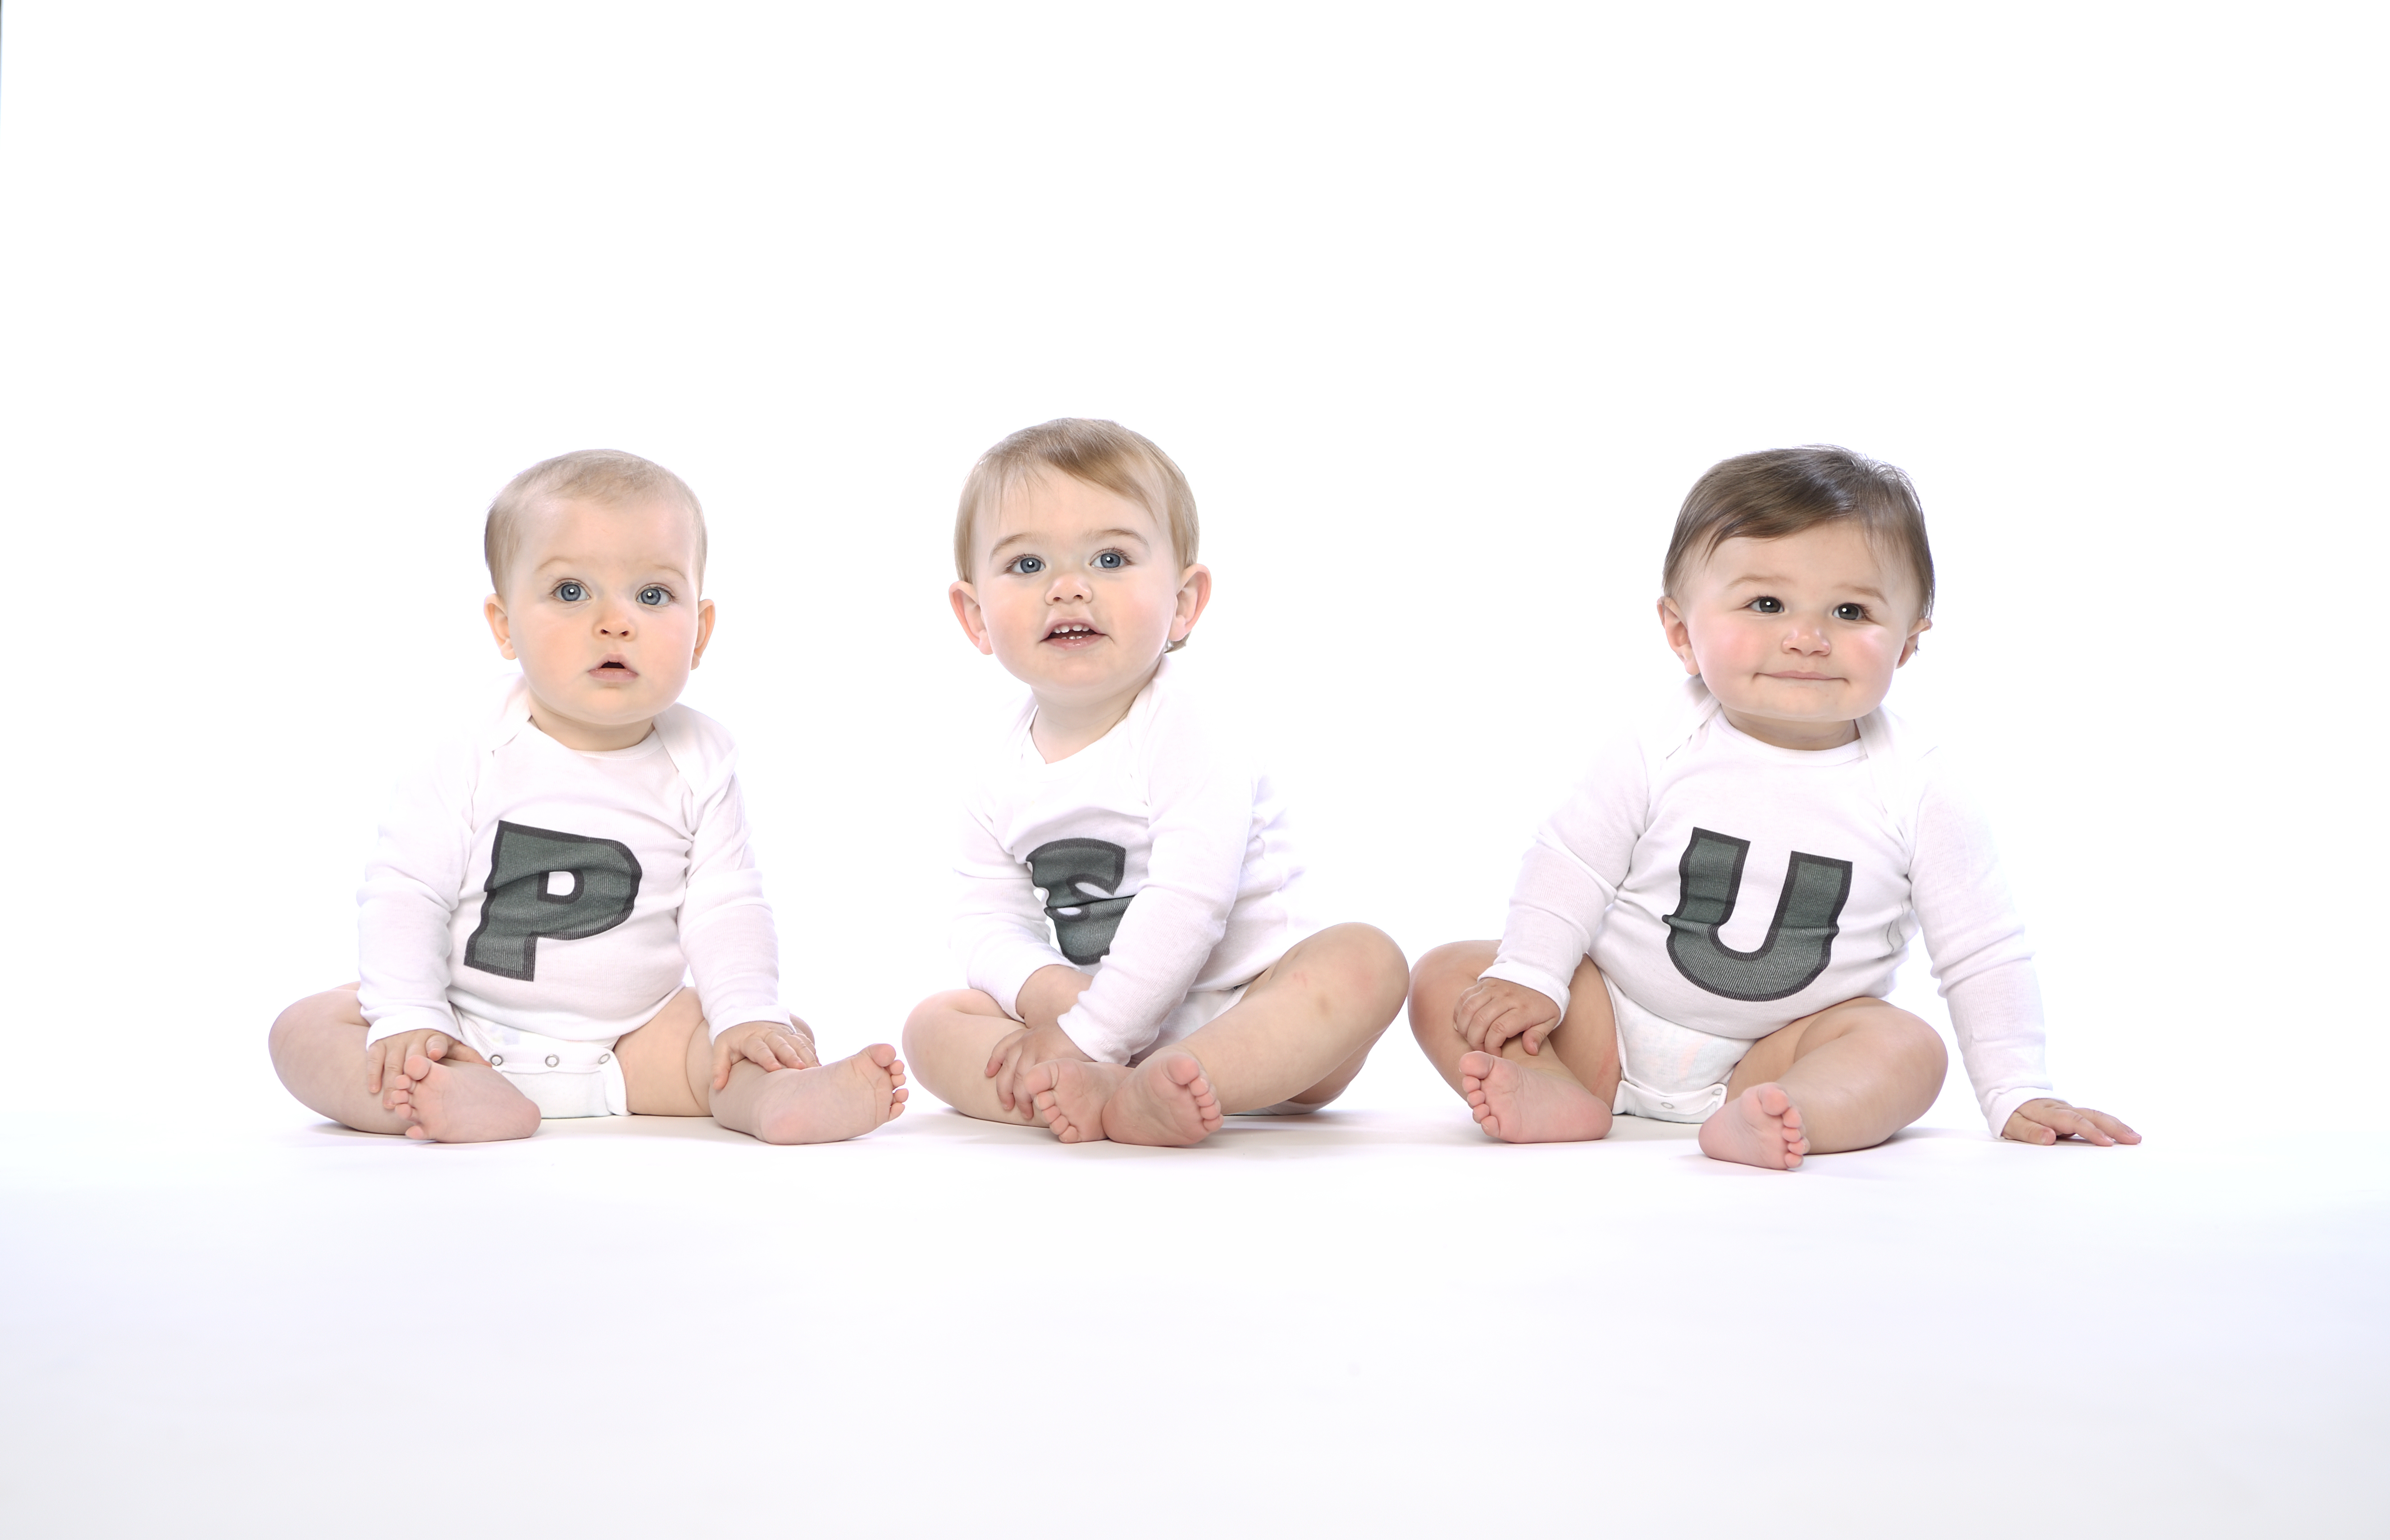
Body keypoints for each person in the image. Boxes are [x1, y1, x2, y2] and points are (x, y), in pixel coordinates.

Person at [1408, 445, 2138, 1168]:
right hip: (1607, 1023)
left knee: (1907, 1048)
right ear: (1680, 632)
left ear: (1907, 646)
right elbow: (1572, 862)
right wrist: (1533, 976)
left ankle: (1794, 1111)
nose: (1807, 638)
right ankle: (1553, 1085)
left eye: (1850, 611)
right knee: (1451, 975)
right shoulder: (1657, 742)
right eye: (1767, 604)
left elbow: (1982, 949)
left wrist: (2017, 1089)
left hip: (1780, 1052)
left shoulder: (1919, 786)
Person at [268, 449, 907, 1144]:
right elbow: (407, 891)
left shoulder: (701, 761)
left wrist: (747, 1013)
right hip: (463, 1029)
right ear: (504, 625)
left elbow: (727, 905)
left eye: (653, 596)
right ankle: (447, 1089)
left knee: (762, 1033)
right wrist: (411, 1017)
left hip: (635, 1043)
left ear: (701, 632)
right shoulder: (471, 745)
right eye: (571, 591)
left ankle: (774, 1100)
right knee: (308, 1028)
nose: (615, 621)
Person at [902, 419, 1408, 1146]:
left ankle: (1164, 1078)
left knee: (1365, 962)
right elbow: (986, 919)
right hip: (1093, 1011)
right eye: (1027, 565)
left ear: (1184, 602)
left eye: (1110, 558)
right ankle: (1101, 1091)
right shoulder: (992, 763)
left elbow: (1190, 898)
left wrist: (1091, 1035)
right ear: (975, 616)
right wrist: (1054, 997)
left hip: (1251, 1009)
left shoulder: (1188, 720)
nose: (1068, 588)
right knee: (933, 1026)